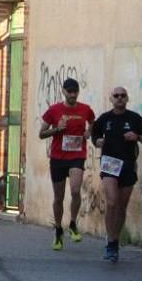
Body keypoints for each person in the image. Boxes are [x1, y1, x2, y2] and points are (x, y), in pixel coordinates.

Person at [90, 86, 142, 263]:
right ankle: (110, 242)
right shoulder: (105, 118)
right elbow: (94, 132)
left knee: (121, 206)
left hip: (128, 164)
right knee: (111, 202)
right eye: (116, 96)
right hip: (110, 164)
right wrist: (97, 141)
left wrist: (137, 137)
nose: (119, 98)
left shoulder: (134, 118)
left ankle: (115, 240)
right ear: (111, 99)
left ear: (127, 99)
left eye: (123, 96)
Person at [39, 77, 96, 250]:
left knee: (75, 190)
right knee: (59, 197)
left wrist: (89, 132)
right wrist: (57, 129)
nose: (72, 94)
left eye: (75, 91)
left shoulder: (85, 109)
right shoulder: (54, 110)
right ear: (63, 92)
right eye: (69, 91)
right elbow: (41, 134)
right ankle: (58, 230)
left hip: (77, 156)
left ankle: (72, 224)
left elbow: (93, 121)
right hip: (57, 158)